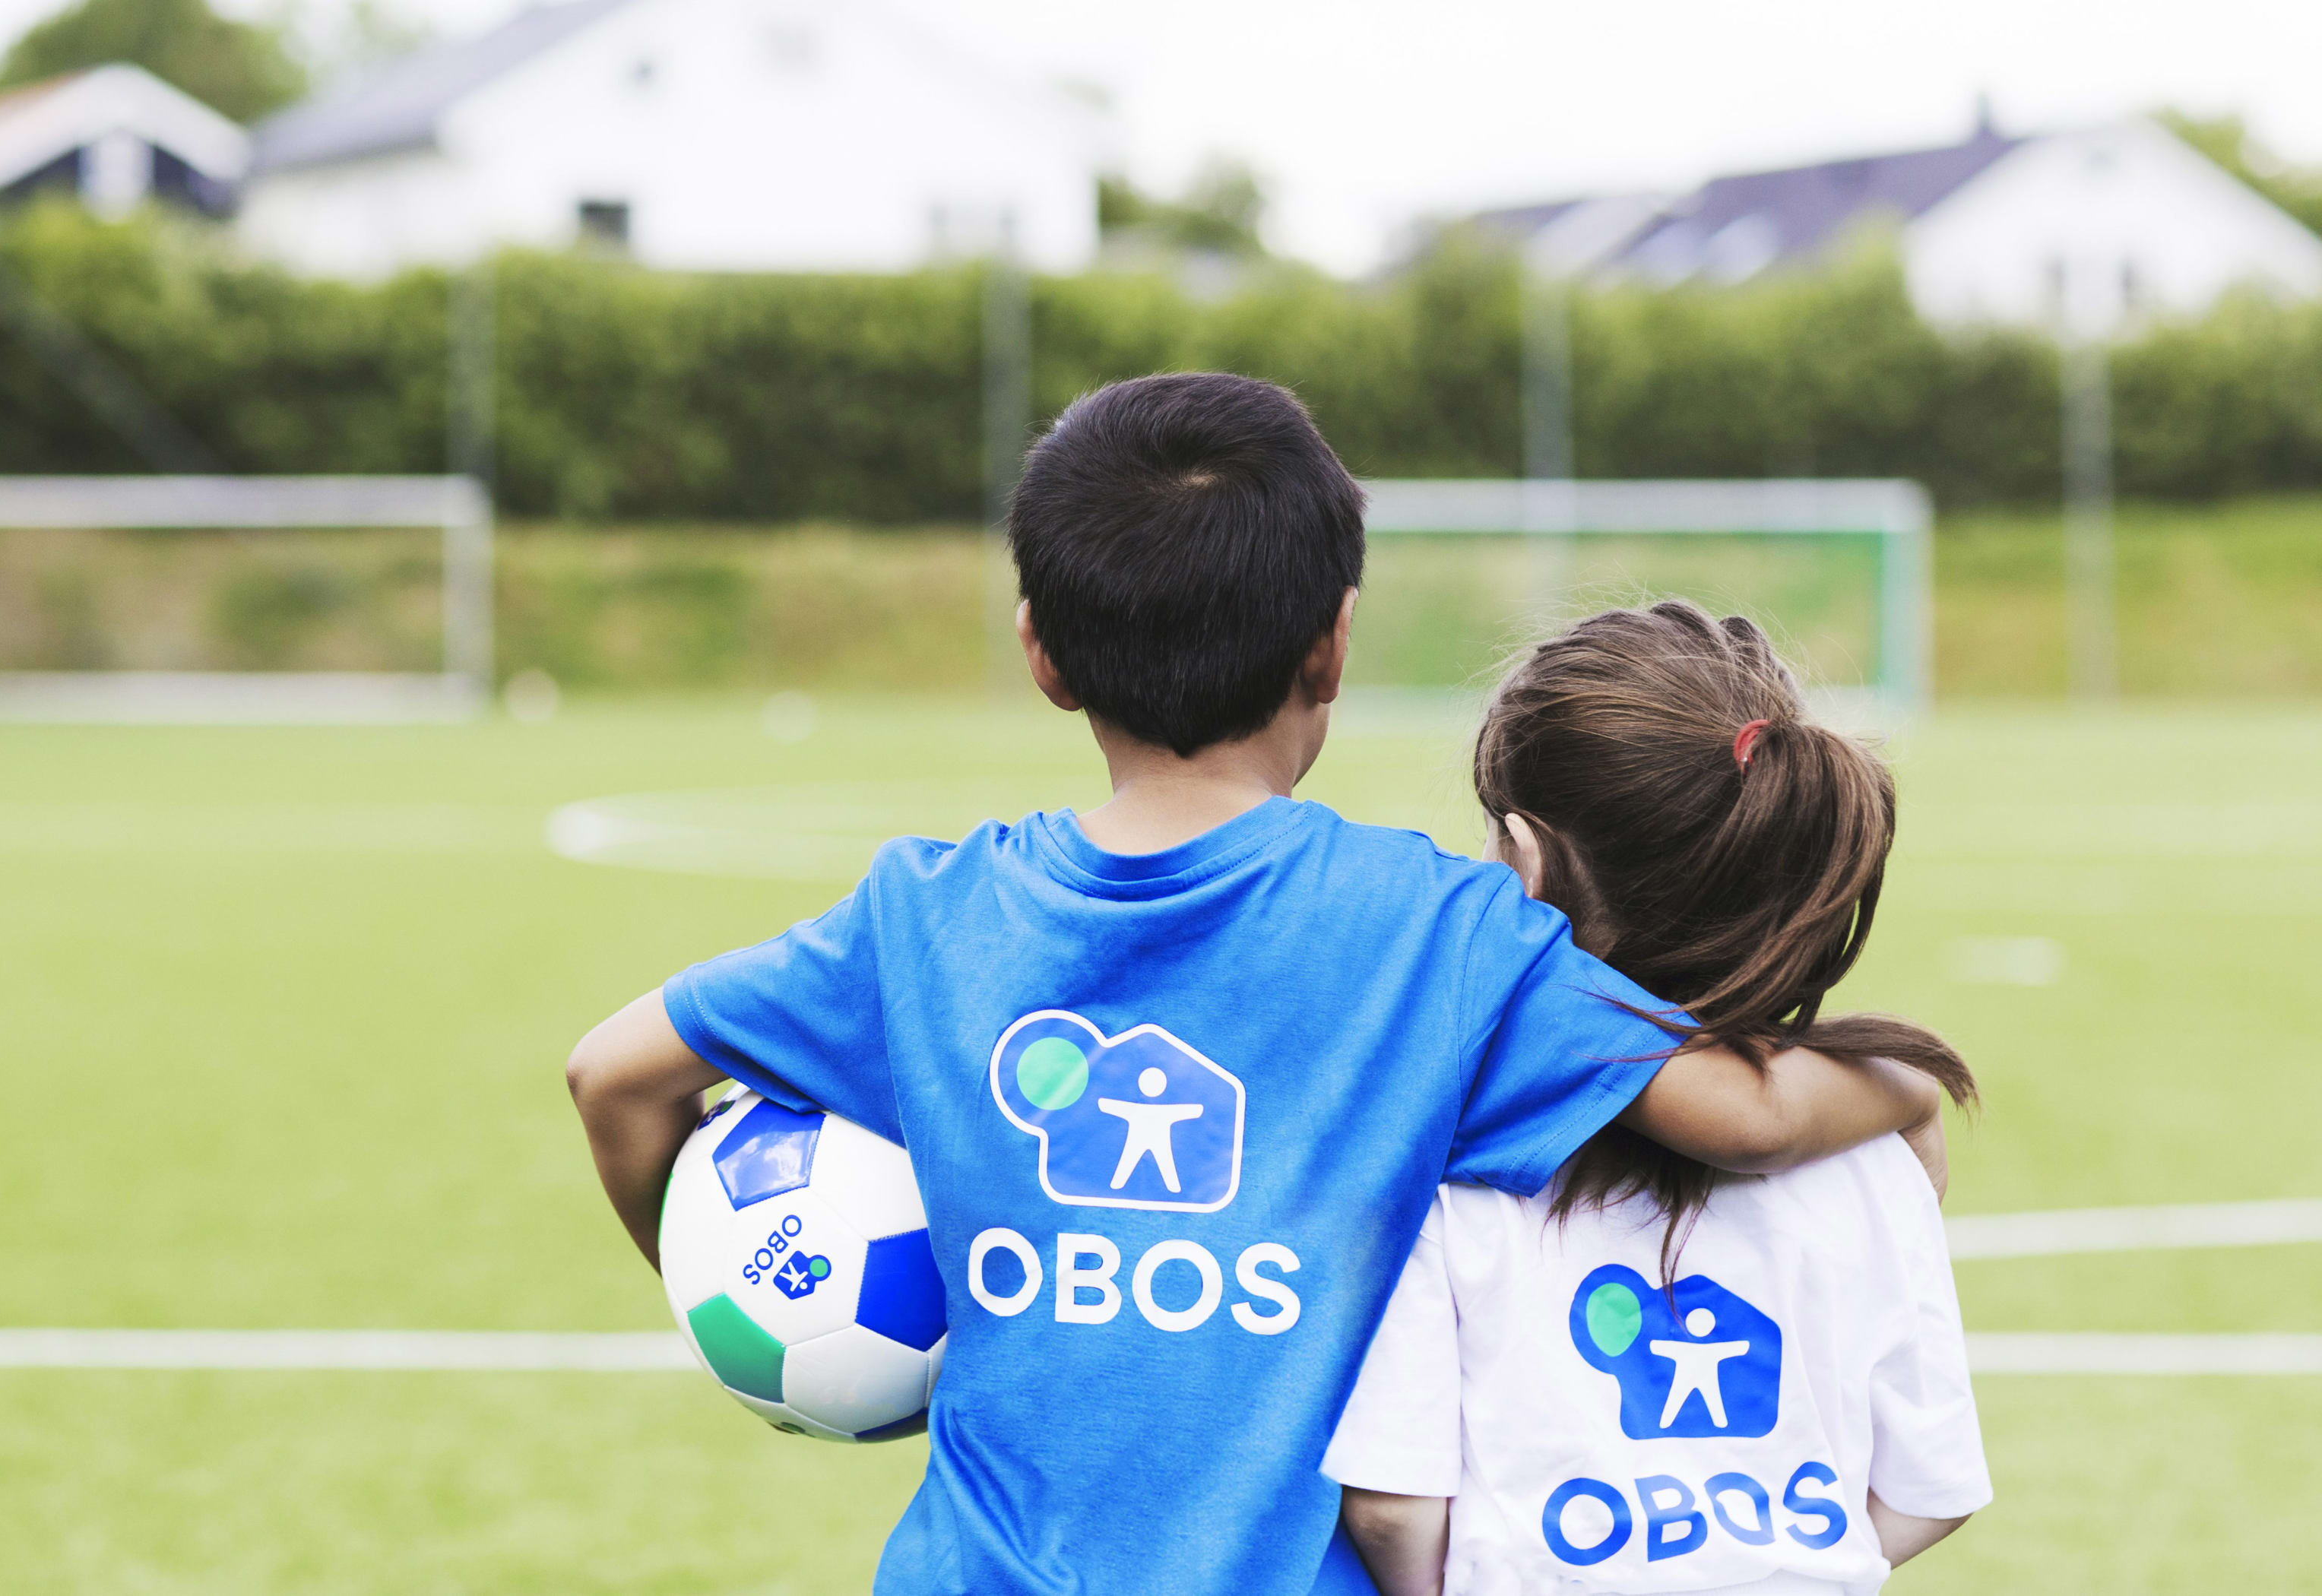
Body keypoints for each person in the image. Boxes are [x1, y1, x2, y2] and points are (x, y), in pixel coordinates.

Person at [565, 374, 1949, 1596]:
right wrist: (1909, 1088)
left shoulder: (920, 926)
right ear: (1333, 644)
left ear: (1041, 650)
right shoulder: (1436, 932)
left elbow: (614, 1075)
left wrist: (754, 1302)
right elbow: (1744, 1119)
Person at [1328, 601, 1991, 1596]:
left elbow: (1392, 1505)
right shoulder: (1867, 1152)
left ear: (1522, 858)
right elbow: (1931, 1489)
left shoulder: (1455, 1148)